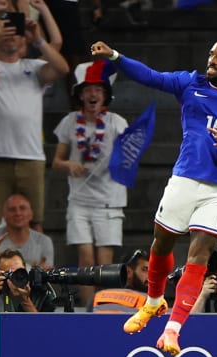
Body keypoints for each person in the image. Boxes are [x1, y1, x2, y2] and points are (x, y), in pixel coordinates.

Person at [91, 39, 217, 356]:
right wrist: (116, 56)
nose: (213, 61)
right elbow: (150, 76)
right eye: (211, 54)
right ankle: (154, 302)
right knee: (161, 244)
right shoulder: (190, 83)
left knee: (198, 255)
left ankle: (172, 329)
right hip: (184, 180)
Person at [0, 7, 69, 231]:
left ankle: (33, 266)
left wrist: (38, 39)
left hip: (31, 156)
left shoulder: (34, 67)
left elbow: (62, 68)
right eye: (5, 30)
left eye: (15, 31)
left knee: (35, 222)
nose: (11, 35)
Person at [52, 59, 128, 306]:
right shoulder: (70, 122)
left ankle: (103, 312)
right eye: (88, 90)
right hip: (80, 201)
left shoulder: (118, 123)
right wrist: (69, 165)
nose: (93, 94)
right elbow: (56, 161)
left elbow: (128, 158)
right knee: (85, 260)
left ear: (105, 95)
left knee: (105, 264)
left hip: (109, 200)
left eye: (98, 89)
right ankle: (86, 311)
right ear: (81, 95)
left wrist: (118, 160)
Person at [0, 194, 54, 286]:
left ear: (31, 214)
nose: (18, 213)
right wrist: (33, 271)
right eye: (12, 209)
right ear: (3, 215)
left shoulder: (44, 241)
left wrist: (7, 270)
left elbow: (47, 274)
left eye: (23, 208)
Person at [0, 249, 56, 313]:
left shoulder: (41, 292)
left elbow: (45, 329)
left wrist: (26, 302)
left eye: (19, 271)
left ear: (25, 269)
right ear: (0, 275)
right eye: (10, 273)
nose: (17, 276)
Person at [90, 249, 149, 313]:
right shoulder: (151, 302)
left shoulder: (96, 297)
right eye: (145, 270)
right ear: (128, 272)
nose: (151, 275)